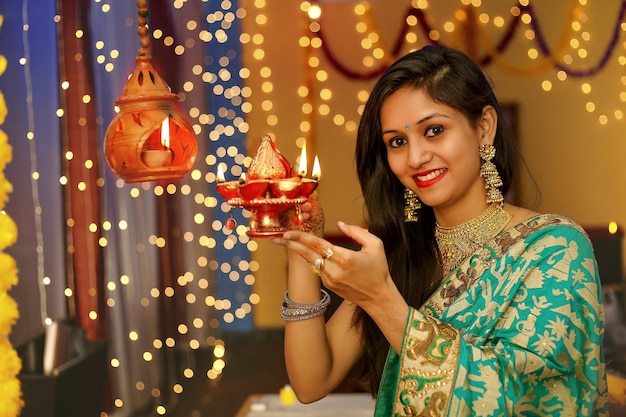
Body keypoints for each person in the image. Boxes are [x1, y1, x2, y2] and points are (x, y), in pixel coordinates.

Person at [272, 45, 608, 416]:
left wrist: (383, 301)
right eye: (397, 142)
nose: (415, 158)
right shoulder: (399, 256)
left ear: (484, 128)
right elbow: (310, 382)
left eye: (434, 130)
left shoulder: (555, 249)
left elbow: (523, 399)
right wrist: (300, 242)